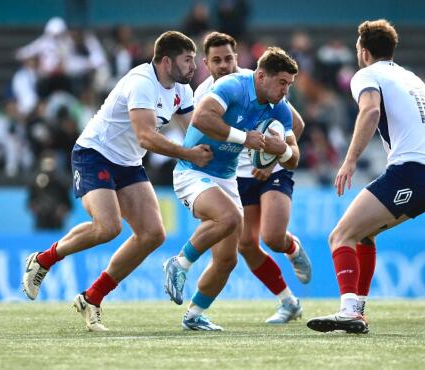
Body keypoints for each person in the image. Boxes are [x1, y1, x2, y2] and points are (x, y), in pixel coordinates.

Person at [21, 31, 213, 332]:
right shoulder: (142, 82)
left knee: (152, 234)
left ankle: (92, 297)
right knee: (107, 227)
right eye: (187, 60)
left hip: (127, 162)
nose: (193, 66)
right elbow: (146, 137)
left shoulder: (181, 89)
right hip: (94, 153)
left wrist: (236, 147)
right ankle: (43, 260)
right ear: (166, 61)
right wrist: (189, 153)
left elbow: (196, 132)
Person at [306, 19, 425, 334]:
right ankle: (357, 309)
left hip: (412, 172)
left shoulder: (367, 74)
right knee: (363, 234)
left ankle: (348, 311)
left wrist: (349, 161)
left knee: (340, 236)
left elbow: (370, 111)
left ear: (363, 50)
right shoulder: (409, 76)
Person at [163, 46, 300, 331]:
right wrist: (244, 138)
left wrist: (282, 151)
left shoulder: (280, 108)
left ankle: (194, 315)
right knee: (229, 218)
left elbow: (294, 157)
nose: (286, 90)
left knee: (227, 259)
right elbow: (201, 118)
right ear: (261, 76)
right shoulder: (232, 86)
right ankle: (179, 264)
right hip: (193, 170)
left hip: (226, 178)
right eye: (282, 83)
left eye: (289, 84)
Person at [195, 32, 311, 324]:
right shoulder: (203, 95)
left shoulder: (257, 81)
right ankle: (289, 302)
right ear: (206, 63)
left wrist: (272, 160)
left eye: (229, 58)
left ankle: (292, 247)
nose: (224, 65)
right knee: (246, 244)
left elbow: (296, 123)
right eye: (217, 60)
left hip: (271, 169)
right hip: (238, 176)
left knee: (272, 237)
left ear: (238, 57)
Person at [27, 153, 73, 230]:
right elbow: (30, 202)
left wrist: (62, 210)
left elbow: (68, 204)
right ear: (42, 165)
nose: (49, 168)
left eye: (51, 164)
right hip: (41, 219)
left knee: (58, 241)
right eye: (46, 165)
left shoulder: (61, 183)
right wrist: (36, 208)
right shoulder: (35, 183)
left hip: (57, 221)